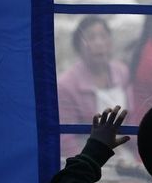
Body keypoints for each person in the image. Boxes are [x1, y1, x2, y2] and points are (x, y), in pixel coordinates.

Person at [57, 16, 134, 155]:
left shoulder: (122, 72)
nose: (99, 43)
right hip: (88, 157)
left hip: (124, 154)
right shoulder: (66, 85)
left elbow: (133, 118)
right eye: (90, 38)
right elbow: (66, 140)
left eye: (103, 36)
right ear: (78, 45)